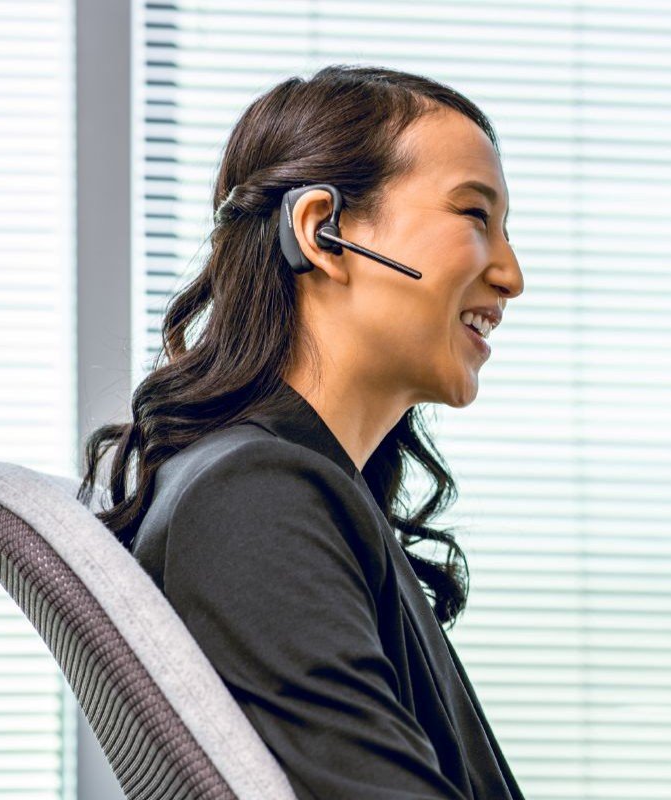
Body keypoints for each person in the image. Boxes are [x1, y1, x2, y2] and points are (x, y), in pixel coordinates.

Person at [75, 64, 525, 800]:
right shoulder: (253, 500)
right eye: (475, 216)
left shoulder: (282, 488)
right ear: (322, 232)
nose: (510, 275)